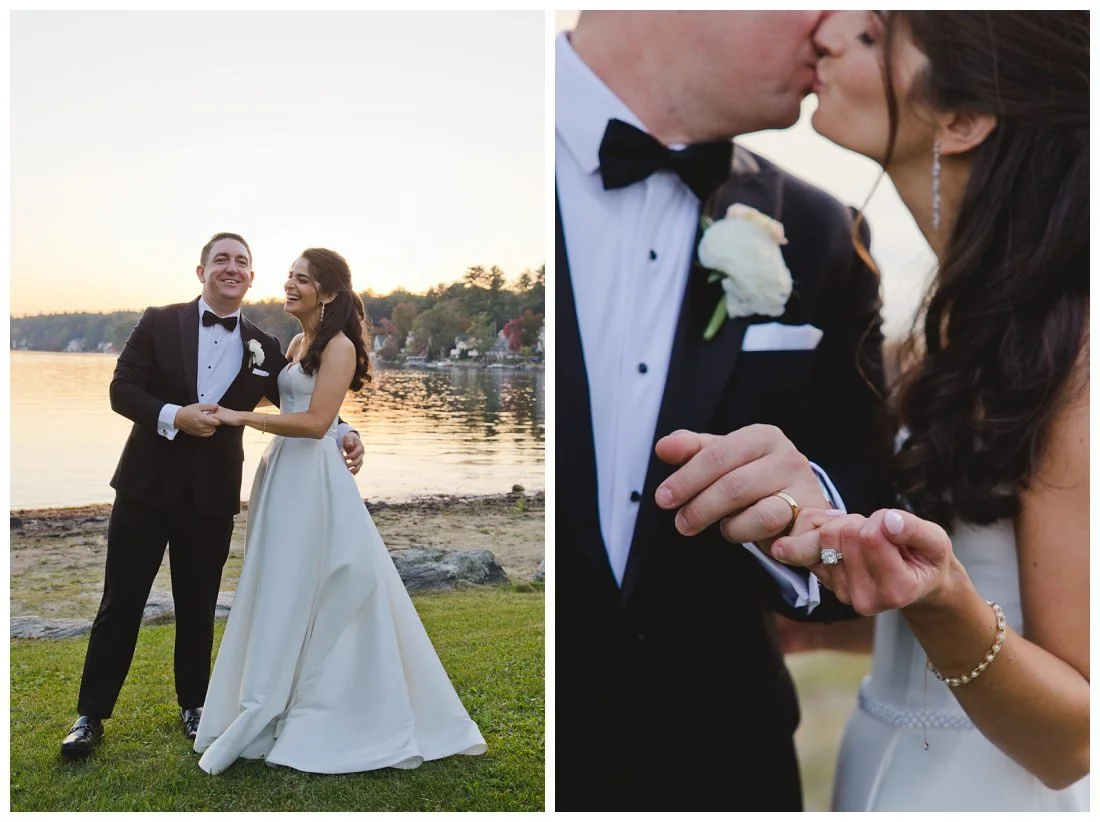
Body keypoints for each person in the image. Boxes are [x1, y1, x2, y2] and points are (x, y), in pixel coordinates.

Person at [555, 11, 896, 811]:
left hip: (726, 764)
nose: (830, 28)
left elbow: (869, 502)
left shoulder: (823, 232)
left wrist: (811, 512)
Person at [766, 11, 1089, 811]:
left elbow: (1076, 739)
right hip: (881, 763)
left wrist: (939, 599)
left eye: (876, 36)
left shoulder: (1072, 356)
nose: (831, 32)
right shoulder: (949, 331)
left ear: (965, 118)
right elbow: (984, 584)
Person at [60, 232, 366, 759]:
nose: (232, 268)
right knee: (120, 602)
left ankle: (195, 706)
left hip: (212, 495)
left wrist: (347, 433)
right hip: (144, 488)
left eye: (242, 262)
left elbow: (303, 400)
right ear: (200, 271)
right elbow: (121, 390)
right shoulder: (159, 320)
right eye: (221, 259)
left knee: (199, 606)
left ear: (251, 276)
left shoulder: (266, 346)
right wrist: (172, 416)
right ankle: (90, 716)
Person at [193, 248, 487, 774]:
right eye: (289, 275)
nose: (290, 284)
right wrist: (347, 431)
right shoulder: (297, 343)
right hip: (283, 476)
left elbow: (313, 422)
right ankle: (274, 694)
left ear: (327, 293)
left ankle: (332, 709)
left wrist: (240, 418)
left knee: (327, 582)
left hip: (314, 482)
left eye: (301, 279)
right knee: (282, 586)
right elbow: (313, 412)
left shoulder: (341, 347)